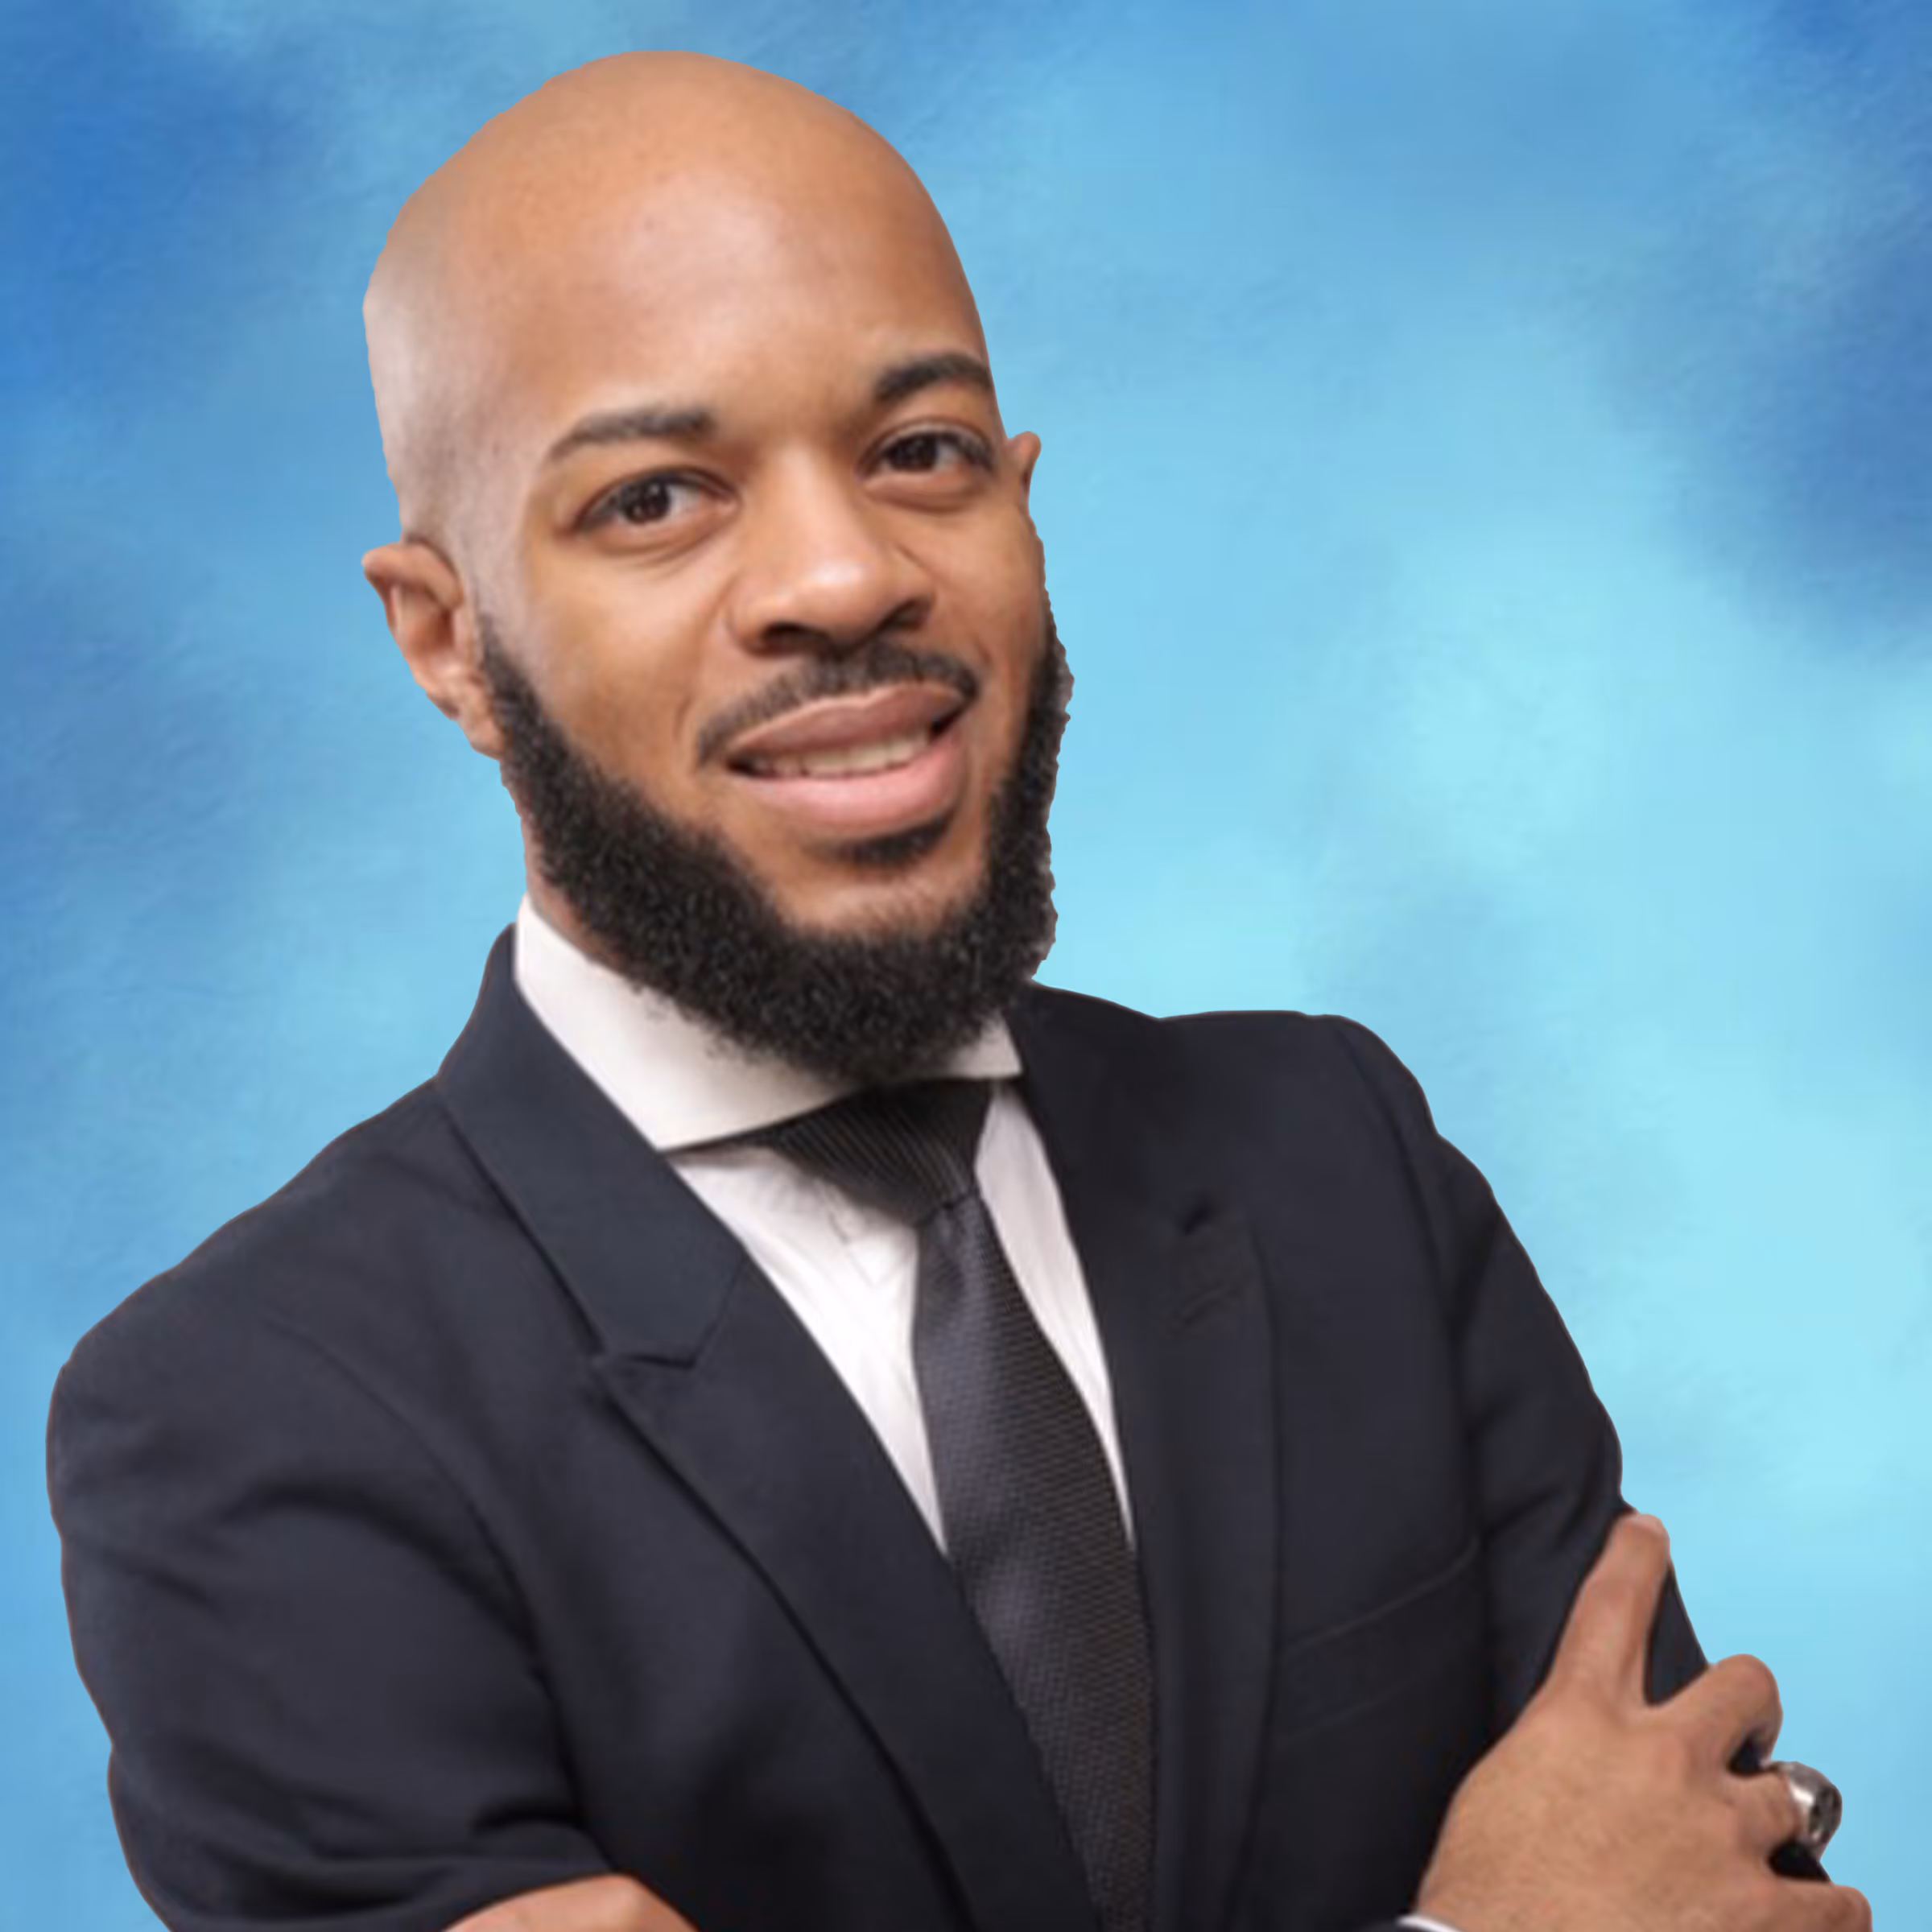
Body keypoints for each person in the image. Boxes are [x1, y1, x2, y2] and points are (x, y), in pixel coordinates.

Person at [47, 49, 1864, 1932]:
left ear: (1024, 501)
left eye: (920, 452)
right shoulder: (252, 1420)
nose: (843, 578)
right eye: (657, 497)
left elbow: (1713, 1884)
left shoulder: (1343, 1161)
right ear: (449, 642)